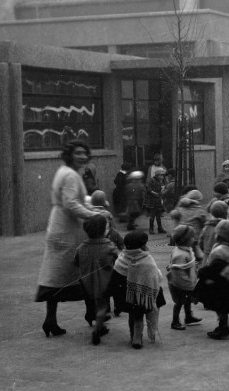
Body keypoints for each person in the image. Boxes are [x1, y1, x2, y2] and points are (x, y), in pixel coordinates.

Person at [35, 140, 98, 337]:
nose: (81, 156)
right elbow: (71, 203)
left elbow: (73, 202)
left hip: (60, 225)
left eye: (84, 153)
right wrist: (94, 215)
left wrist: (91, 209)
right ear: (69, 154)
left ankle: (51, 320)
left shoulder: (64, 171)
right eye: (77, 153)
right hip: (67, 229)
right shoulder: (71, 175)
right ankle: (92, 314)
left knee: (55, 275)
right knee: (80, 269)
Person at [109, 231, 164, 349]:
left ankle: (133, 335)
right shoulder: (147, 260)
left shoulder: (121, 259)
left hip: (127, 295)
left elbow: (116, 277)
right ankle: (137, 338)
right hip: (144, 295)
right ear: (143, 246)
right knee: (139, 317)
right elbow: (157, 277)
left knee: (133, 316)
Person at [74, 214, 119, 345]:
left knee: (91, 302)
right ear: (103, 230)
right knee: (102, 306)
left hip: (85, 282)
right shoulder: (109, 245)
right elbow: (119, 258)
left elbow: (76, 262)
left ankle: (92, 319)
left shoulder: (81, 247)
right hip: (104, 282)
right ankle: (98, 328)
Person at [197, 220, 229, 339]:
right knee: (222, 308)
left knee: (220, 307)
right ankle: (223, 325)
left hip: (219, 285)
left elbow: (214, 269)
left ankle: (223, 327)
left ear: (220, 236)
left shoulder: (220, 251)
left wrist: (201, 273)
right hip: (227, 282)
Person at [166, 225, 200, 331]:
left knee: (187, 300)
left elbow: (188, 265)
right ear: (185, 240)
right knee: (179, 302)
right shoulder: (180, 255)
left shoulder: (185, 250)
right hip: (179, 284)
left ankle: (188, 317)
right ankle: (175, 321)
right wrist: (189, 284)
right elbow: (179, 274)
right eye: (192, 237)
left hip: (186, 283)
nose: (194, 239)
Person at [144, 167, 166, 234]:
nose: (161, 177)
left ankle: (160, 228)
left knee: (158, 215)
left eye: (162, 175)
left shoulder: (162, 181)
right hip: (152, 200)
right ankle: (151, 228)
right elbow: (148, 188)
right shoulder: (152, 180)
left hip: (158, 200)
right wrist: (153, 192)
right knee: (152, 215)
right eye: (160, 175)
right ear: (157, 175)